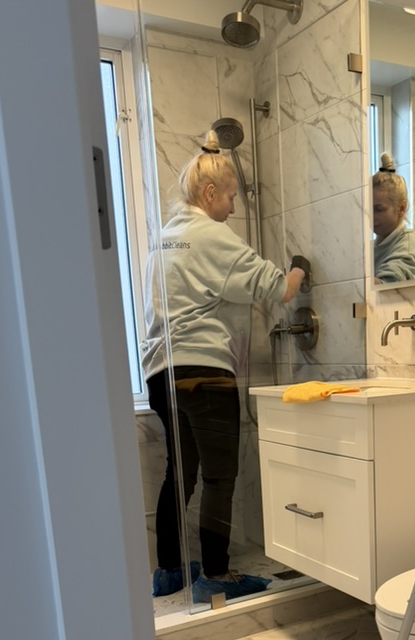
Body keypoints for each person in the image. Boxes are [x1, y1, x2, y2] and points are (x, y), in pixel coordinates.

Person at [142, 129, 307, 603]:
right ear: (210, 193)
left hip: (161, 374)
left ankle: (170, 571)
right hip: (204, 374)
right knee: (218, 476)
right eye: (230, 196)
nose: (233, 208)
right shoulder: (212, 235)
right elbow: (280, 289)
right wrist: (298, 267)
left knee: (180, 472)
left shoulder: (165, 239)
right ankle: (215, 573)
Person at [372, 152, 415, 284]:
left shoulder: (411, 245)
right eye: (368, 210)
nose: (371, 216)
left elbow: (385, 285)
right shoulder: (374, 246)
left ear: (401, 209)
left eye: (379, 209)